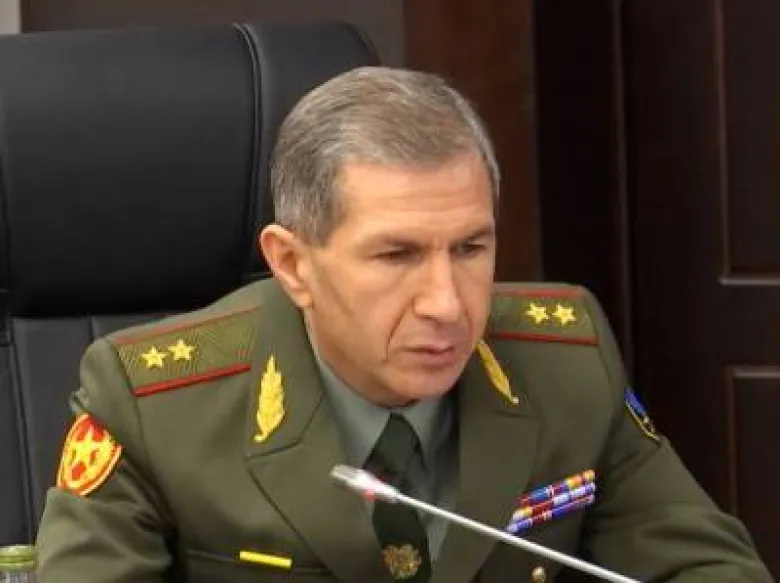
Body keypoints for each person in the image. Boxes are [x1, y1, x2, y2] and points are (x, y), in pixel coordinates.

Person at [35, 66, 772, 583]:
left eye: (471, 248)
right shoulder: (151, 403)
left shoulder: (567, 360)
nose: (447, 304)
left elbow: (709, 568)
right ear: (292, 264)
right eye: (397, 255)